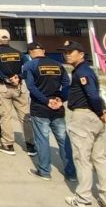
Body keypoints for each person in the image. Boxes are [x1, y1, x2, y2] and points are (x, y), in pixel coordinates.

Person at [61, 41, 106, 207]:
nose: (67, 55)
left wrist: (101, 111)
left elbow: (92, 95)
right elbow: (95, 94)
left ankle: (83, 199)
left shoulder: (82, 72)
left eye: (71, 52)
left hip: (84, 117)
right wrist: (103, 110)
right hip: (94, 118)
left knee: (82, 160)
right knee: (99, 159)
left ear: (81, 54)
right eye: (65, 52)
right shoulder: (83, 70)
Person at [23, 42, 76, 182]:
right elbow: (67, 85)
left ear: (30, 52)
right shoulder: (58, 65)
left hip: (40, 108)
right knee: (64, 140)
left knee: (42, 139)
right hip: (57, 107)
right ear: (44, 50)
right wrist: (60, 99)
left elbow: (31, 87)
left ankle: (44, 171)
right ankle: (71, 173)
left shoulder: (29, 66)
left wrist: (46, 101)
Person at [0, 29, 34, 155]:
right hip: (18, 87)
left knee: (5, 116)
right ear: (9, 39)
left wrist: (6, 78)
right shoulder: (18, 53)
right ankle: (30, 145)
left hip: (3, 87)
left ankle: (8, 145)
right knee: (25, 116)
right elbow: (29, 66)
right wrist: (19, 77)